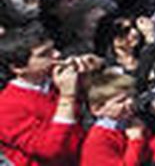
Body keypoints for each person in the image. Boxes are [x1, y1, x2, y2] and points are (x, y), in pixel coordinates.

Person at [0, 29, 90, 166]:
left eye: (53, 49)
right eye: (44, 54)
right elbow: (49, 149)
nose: (57, 55)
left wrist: (91, 73)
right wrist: (67, 97)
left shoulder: (56, 81)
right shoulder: (7, 106)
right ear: (18, 68)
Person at [81, 70, 155, 166]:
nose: (130, 102)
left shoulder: (131, 124)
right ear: (98, 109)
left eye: (131, 96)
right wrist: (136, 141)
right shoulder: (98, 140)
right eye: (120, 101)